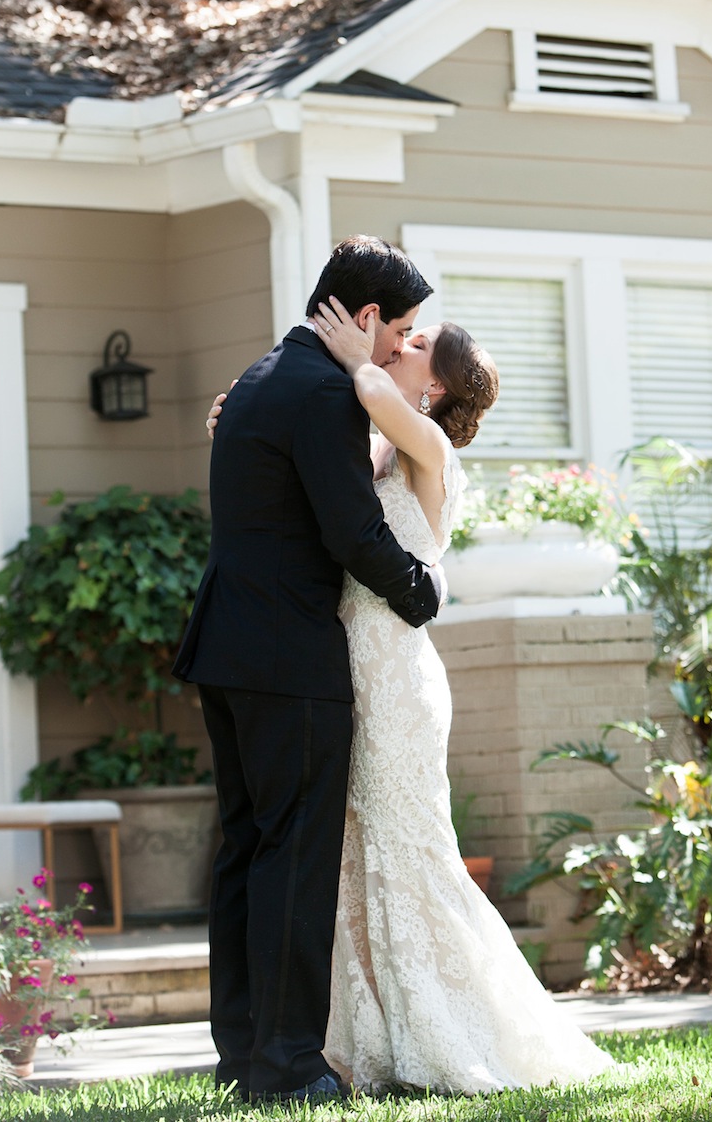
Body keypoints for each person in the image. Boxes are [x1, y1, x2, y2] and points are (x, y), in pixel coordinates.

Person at [207, 296, 615, 1094]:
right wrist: (239, 423)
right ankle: (359, 1039)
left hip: (394, 676)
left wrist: (350, 349)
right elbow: (301, 490)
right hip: (336, 664)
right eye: (400, 330)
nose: (400, 341)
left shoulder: (425, 445)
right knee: (349, 853)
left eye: (417, 341)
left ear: (434, 388)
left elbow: (368, 392)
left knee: (407, 848)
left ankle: (452, 1027)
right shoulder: (371, 454)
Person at [173, 236, 447, 1102]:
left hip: (226, 643)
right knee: (294, 854)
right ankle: (289, 1066)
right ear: (364, 319)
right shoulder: (325, 392)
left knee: (246, 850)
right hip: (289, 652)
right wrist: (422, 591)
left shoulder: (256, 379)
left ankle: (242, 1055)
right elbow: (352, 531)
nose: (404, 345)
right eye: (399, 330)